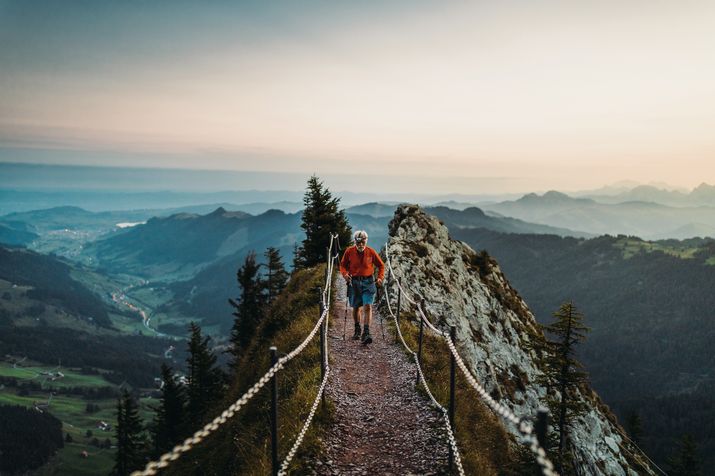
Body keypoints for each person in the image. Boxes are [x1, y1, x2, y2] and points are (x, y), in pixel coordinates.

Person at [339, 230, 385, 344]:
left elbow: (381, 265)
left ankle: (366, 332)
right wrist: (345, 275)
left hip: (368, 282)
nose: (360, 244)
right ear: (355, 241)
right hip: (354, 282)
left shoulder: (371, 252)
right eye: (358, 242)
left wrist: (380, 278)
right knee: (356, 307)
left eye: (362, 242)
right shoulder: (349, 251)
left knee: (368, 306)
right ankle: (357, 329)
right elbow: (343, 265)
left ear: (366, 241)